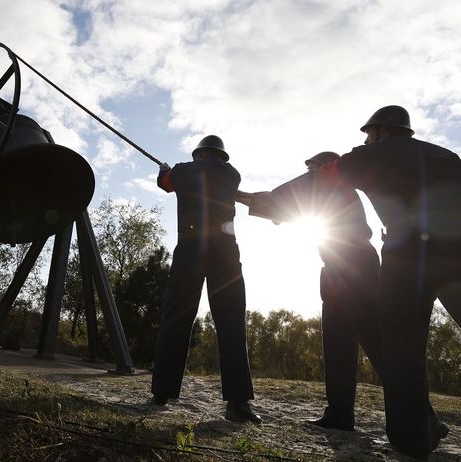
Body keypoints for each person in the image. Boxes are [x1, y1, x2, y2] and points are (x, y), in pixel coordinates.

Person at [317, 105, 456, 459]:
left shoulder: (369, 155)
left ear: (378, 132)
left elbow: (322, 180)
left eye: (368, 133)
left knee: (401, 348)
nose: (365, 139)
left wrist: (260, 201)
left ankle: (414, 441)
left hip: (406, 259)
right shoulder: (446, 154)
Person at [236, 151, 381, 432]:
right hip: (338, 270)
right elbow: (288, 208)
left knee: (377, 343)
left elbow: (279, 199)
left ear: (324, 168)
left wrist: (233, 193)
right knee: (338, 342)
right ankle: (339, 413)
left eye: (312, 168)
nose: (308, 173)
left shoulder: (325, 181)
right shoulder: (333, 193)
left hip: (354, 267)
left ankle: (420, 416)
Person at [151, 135, 260, 423]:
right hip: (225, 252)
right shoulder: (232, 174)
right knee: (231, 321)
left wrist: (163, 169)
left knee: (176, 317)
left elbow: (165, 184)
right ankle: (238, 404)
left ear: (199, 154)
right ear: (222, 156)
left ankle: (162, 391)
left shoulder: (184, 170)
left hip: (190, 248)